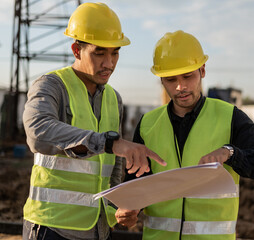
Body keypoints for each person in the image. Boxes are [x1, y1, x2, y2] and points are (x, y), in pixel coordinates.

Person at [115, 30, 254, 239]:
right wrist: (131, 210)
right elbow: (138, 181)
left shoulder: (230, 117)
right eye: (170, 79)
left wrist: (230, 153)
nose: (180, 87)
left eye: (187, 76)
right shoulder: (148, 124)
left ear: (202, 70)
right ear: (160, 80)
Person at [22, 3, 166, 240]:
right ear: (76, 50)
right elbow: (37, 132)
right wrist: (108, 143)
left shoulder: (113, 98)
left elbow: (113, 167)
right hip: (52, 227)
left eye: (115, 53)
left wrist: (116, 207)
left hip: (97, 230)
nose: (109, 63)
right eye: (99, 52)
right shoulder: (51, 85)